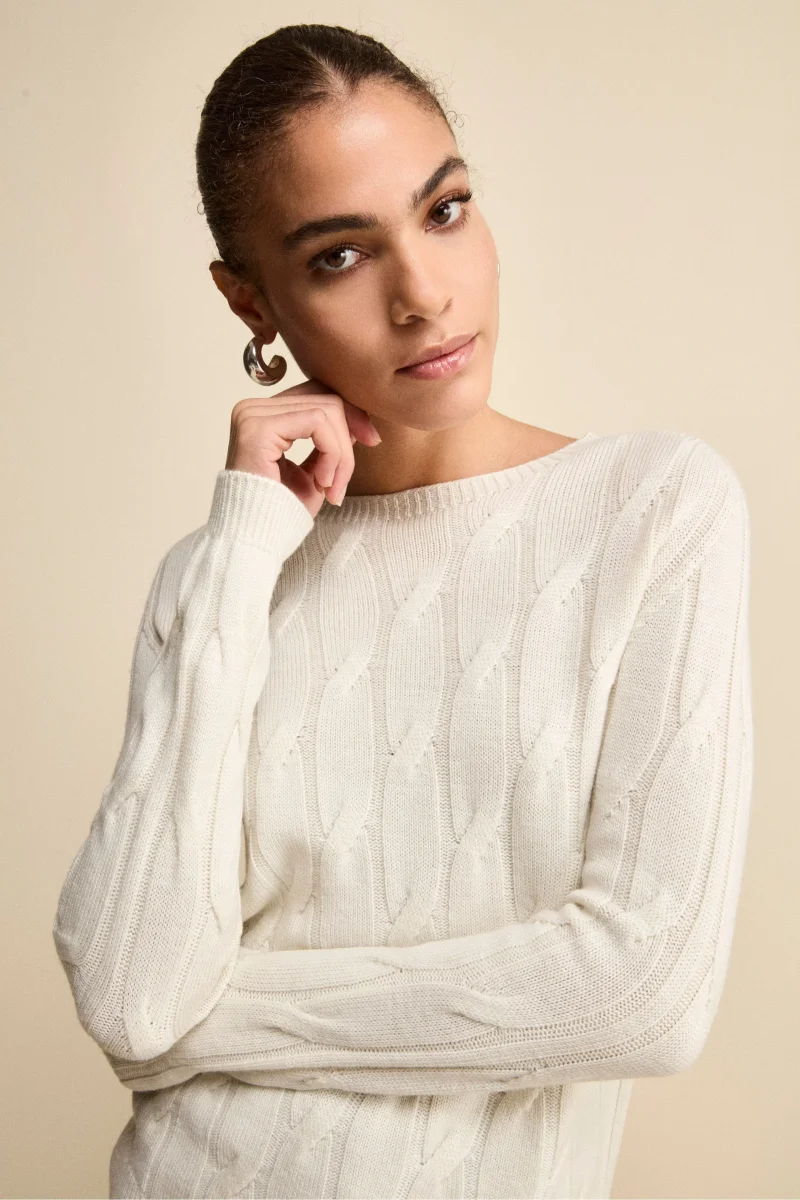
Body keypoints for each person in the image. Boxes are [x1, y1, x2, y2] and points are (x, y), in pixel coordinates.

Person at [51, 23, 753, 1200]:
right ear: (250, 300)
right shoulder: (214, 576)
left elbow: (642, 995)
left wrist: (205, 1022)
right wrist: (240, 550)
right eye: (338, 256)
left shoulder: (651, 510)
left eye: (443, 211)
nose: (424, 295)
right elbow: (129, 995)